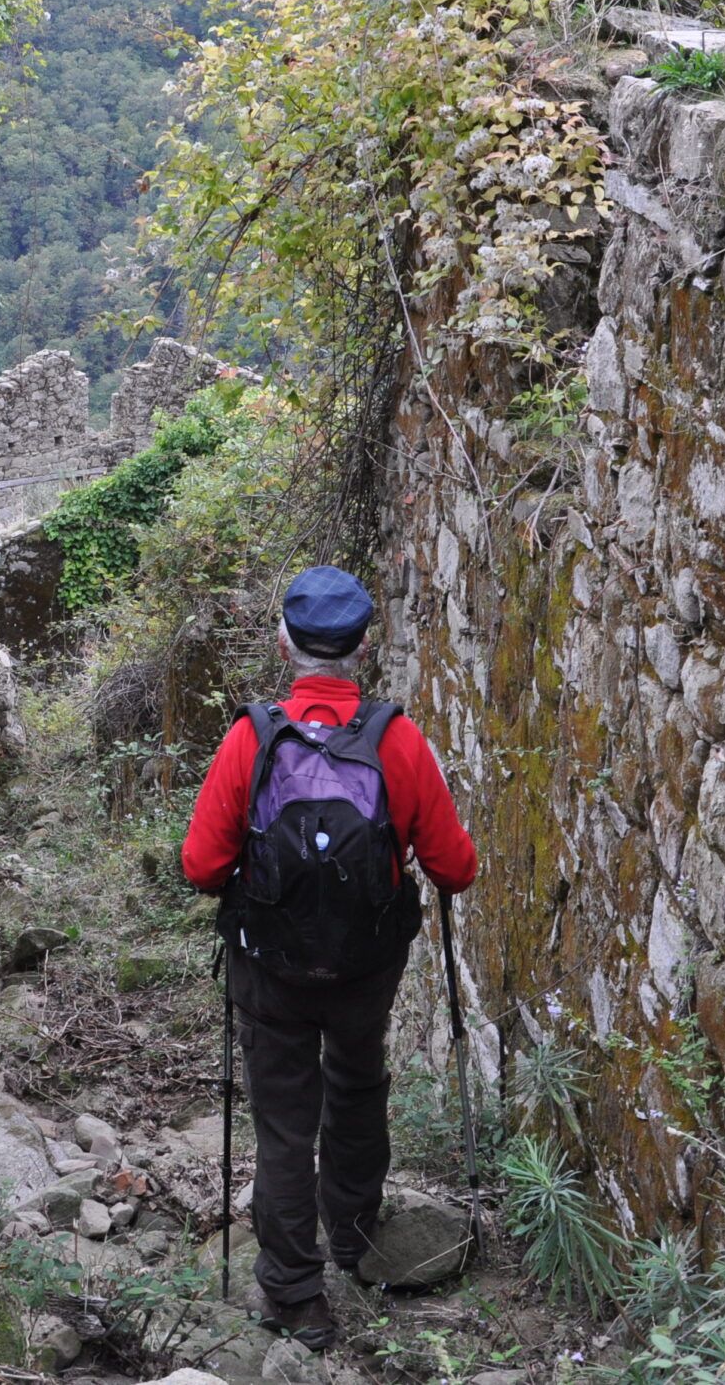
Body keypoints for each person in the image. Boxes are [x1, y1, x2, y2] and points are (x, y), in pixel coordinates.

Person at [179, 565, 477, 1352]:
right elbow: (456, 868)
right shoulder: (399, 741)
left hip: (269, 969)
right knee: (356, 1084)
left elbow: (202, 867)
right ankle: (353, 1236)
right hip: (363, 970)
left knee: (283, 1123)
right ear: (363, 646)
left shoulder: (252, 739)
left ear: (285, 643)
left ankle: (297, 1297)